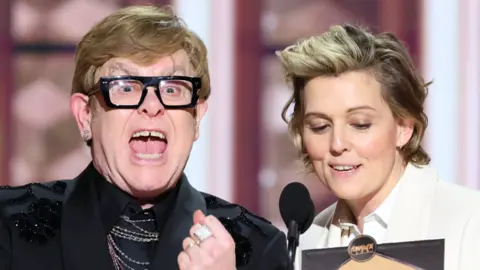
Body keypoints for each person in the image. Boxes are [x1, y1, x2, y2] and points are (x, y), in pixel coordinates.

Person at [0, 5, 287, 270]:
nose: (152, 105)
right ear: (85, 115)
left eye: (173, 88)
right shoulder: (9, 226)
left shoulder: (256, 248)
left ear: (197, 117)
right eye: (126, 87)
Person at [276, 24, 480, 270]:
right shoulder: (304, 243)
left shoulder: (470, 221)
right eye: (320, 126)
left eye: (360, 124)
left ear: (405, 128)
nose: (337, 144)